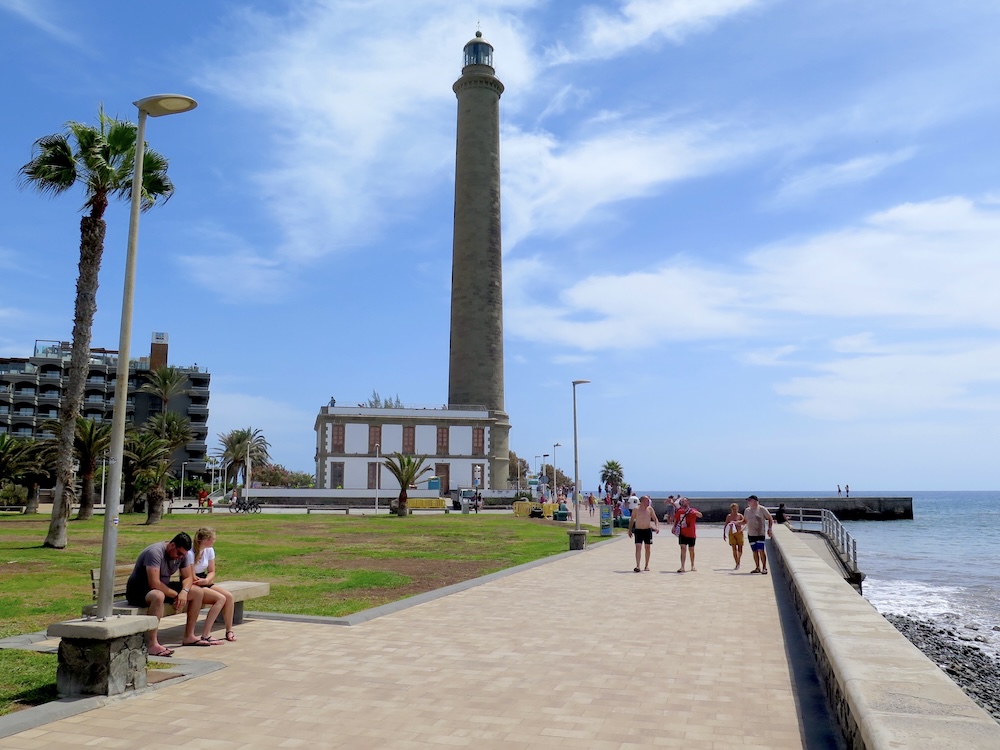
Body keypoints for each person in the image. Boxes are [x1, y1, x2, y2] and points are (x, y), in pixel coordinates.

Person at [125, 532, 206, 656]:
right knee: (158, 596)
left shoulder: (182, 555)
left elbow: (188, 577)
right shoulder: (155, 552)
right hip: (138, 590)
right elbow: (154, 583)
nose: (180, 557)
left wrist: (184, 592)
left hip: (162, 587)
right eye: (179, 553)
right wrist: (175, 595)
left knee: (197, 592)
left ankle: (189, 636)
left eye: (183, 555)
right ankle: (152, 644)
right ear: (172, 545)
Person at [187, 527, 237, 643]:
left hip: (204, 580)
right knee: (220, 599)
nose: (214, 541)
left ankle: (229, 630)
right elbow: (190, 575)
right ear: (206, 540)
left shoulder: (209, 550)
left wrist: (206, 580)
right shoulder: (190, 553)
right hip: (193, 583)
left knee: (229, 596)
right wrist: (201, 581)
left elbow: (212, 571)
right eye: (213, 539)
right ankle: (206, 635)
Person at [743, 495, 774, 575]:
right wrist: (736, 524)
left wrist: (769, 529)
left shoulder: (762, 509)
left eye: (750, 500)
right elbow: (744, 521)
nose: (748, 502)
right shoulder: (747, 510)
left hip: (760, 533)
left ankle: (764, 567)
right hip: (751, 534)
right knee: (755, 551)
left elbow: (770, 518)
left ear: (755, 501)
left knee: (761, 550)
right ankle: (757, 567)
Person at [627, 496, 660, 572]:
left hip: (647, 530)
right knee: (638, 547)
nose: (648, 502)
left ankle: (646, 565)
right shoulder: (636, 509)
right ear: (642, 501)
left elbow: (655, 519)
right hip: (638, 530)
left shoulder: (650, 509)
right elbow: (631, 520)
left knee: (647, 548)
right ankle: (638, 565)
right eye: (647, 501)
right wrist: (630, 530)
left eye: (648, 501)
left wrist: (657, 527)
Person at [674, 497, 703, 573]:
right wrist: (674, 527)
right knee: (683, 549)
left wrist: (696, 513)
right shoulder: (679, 511)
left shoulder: (692, 510)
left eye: (684, 501)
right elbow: (676, 520)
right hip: (682, 533)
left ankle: (692, 565)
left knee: (691, 550)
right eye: (682, 502)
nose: (683, 503)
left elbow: (700, 515)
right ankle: (682, 566)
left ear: (688, 502)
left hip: (691, 533)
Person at [724, 502, 745, 570]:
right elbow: (726, 524)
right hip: (731, 533)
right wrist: (724, 533)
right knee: (734, 548)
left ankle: (738, 560)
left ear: (738, 509)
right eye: (733, 509)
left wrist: (742, 529)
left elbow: (745, 523)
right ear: (731, 509)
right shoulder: (729, 516)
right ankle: (737, 563)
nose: (734, 510)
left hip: (739, 533)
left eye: (735, 509)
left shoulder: (740, 516)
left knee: (740, 548)